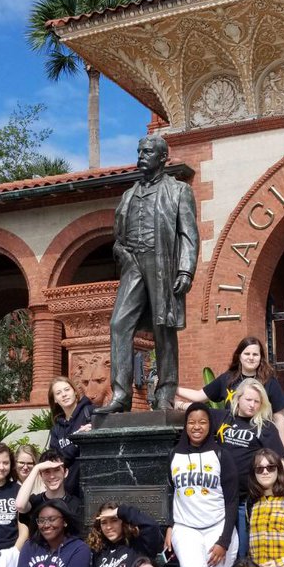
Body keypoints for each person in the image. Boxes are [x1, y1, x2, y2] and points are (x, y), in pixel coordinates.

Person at [95, 134, 199, 413]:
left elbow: (189, 234)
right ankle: (121, 396)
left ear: (163, 158)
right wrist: (122, 253)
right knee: (119, 323)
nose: (141, 157)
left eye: (148, 152)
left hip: (163, 263)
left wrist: (186, 270)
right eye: (139, 152)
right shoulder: (128, 195)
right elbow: (117, 238)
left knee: (163, 328)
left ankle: (165, 394)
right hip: (134, 265)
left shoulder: (178, 191)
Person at [165, 402, 238, 567]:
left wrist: (224, 540)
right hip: (186, 527)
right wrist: (170, 526)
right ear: (186, 425)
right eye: (192, 422)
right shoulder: (174, 455)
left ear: (210, 426)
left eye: (202, 422)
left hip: (217, 527)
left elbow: (231, 500)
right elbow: (170, 493)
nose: (197, 427)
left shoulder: (221, 455)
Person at [177, 335, 284, 448]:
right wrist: (171, 389)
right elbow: (198, 396)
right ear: (239, 356)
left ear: (261, 357)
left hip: (259, 445)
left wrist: (283, 456)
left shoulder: (270, 382)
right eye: (247, 354)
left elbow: (279, 418)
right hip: (231, 442)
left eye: (255, 354)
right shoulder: (227, 378)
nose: (251, 358)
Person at [218, 378, 284, 556]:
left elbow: (279, 460)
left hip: (244, 500)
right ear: (238, 398)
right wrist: (177, 404)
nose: (252, 405)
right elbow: (197, 413)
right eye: (249, 400)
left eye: (257, 401)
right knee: (220, 549)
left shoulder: (265, 427)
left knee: (242, 550)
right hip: (218, 498)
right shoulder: (223, 418)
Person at [47, 376, 93, 498]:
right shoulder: (57, 429)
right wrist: (78, 440)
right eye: (58, 393)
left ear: (74, 392)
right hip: (70, 493)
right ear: (55, 400)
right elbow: (57, 461)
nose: (64, 395)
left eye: (67, 390)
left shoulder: (91, 413)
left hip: (93, 487)